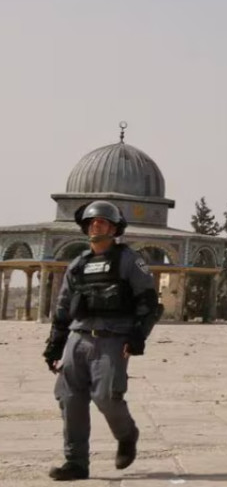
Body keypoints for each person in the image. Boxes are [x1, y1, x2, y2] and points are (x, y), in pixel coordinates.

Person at [42, 201, 161, 481]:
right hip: (78, 339)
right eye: (93, 222)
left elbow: (148, 302)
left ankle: (127, 434)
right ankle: (76, 462)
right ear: (86, 227)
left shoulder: (129, 261)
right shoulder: (78, 265)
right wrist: (54, 347)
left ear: (114, 228)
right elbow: (62, 310)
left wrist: (137, 337)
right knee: (69, 399)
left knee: (106, 396)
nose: (97, 225)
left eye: (103, 222)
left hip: (112, 339)